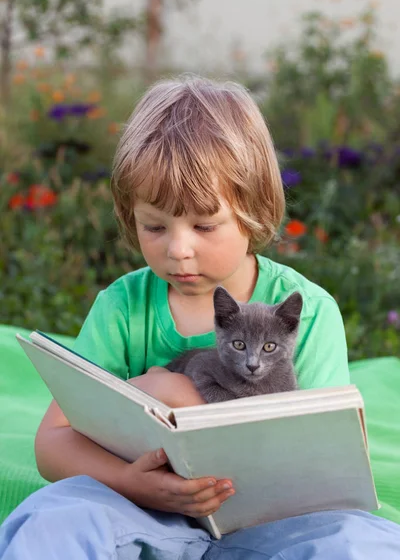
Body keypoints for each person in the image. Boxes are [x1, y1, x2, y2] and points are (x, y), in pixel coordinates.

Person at [1, 75, 399, 560]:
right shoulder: (123, 306)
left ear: (253, 211)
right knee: (54, 520)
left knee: (363, 541)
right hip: (141, 510)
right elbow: (53, 443)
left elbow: (326, 469)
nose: (178, 249)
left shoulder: (306, 312)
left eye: (204, 225)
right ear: (130, 216)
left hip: (270, 525)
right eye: (154, 226)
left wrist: (177, 394)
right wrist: (131, 482)